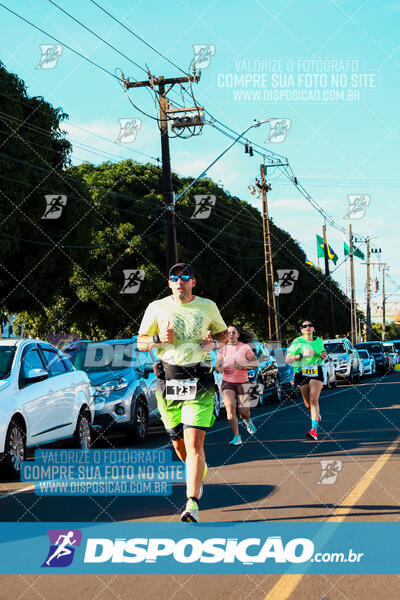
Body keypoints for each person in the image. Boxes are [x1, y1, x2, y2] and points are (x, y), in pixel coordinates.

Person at [137, 263, 228, 523]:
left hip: (199, 380)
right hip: (169, 381)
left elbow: (223, 335)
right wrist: (157, 339)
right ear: (169, 283)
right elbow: (141, 342)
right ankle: (198, 470)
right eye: (174, 278)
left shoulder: (208, 306)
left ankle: (192, 504)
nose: (179, 282)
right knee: (179, 445)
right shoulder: (157, 307)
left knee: (194, 443)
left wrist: (214, 343)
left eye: (184, 277)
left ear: (193, 282)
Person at [215, 324, 259, 445]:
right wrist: (220, 369)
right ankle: (237, 436)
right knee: (230, 408)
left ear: (238, 335)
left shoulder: (244, 348)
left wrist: (242, 366)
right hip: (227, 382)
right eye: (228, 332)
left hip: (242, 382)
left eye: (233, 332)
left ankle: (247, 420)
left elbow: (255, 363)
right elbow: (217, 365)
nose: (231, 334)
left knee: (244, 412)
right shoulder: (222, 350)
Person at [285, 320, 327, 441]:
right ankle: (316, 415)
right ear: (301, 329)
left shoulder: (318, 341)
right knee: (307, 404)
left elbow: (323, 354)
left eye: (310, 325)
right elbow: (287, 359)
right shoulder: (297, 342)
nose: (307, 327)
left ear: (313, 328)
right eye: (305, 326)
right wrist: (301, 355)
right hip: (301, 372)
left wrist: (322, 355)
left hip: (316, 371)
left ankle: (314, 430)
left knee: (314, 400)